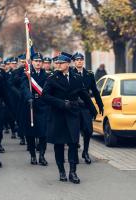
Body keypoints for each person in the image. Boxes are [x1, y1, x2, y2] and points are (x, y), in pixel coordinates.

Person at [42, 53, 97, 184]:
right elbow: (45, 96)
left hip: (72, 114)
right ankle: (61, 171)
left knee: (73, 143)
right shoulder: (52, 78)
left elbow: (84, 94)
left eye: (61, 63)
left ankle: (73, 172)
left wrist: (93, 110)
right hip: (58, 115)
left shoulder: (76, 78)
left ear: (68, 64)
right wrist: (61, 103)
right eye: (57, 63)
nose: (58, 65)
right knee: (59, 144)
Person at [72, 52, 104, 164]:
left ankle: (85, 152)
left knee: (88, 130)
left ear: (83, 61)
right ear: (74, 62)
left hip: (86, 107)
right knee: (74, 131)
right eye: (77, 60)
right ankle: (74, 153)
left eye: (81, 59)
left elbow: (95, 91)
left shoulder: (89, 74)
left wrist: (100, 105)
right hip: (75, 107)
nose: (79, 61)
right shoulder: (70, 73)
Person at [20, 52, 48, 166]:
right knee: (31, 133)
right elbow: (24, 87)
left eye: (40, 61)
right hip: (30, 106)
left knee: (43, 133)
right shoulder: (27, 75)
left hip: (43, 106)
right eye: (36, 61)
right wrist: (29, 97)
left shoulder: (46, 75)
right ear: (32, 62)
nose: (38, 63)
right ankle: (33, 155)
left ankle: (42, 155)